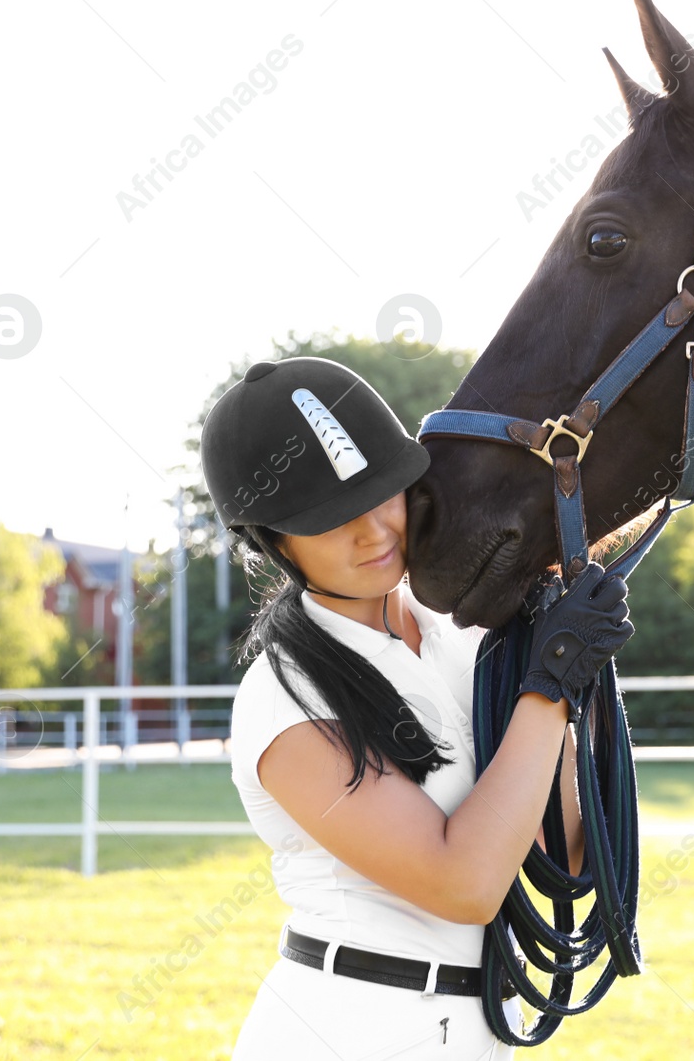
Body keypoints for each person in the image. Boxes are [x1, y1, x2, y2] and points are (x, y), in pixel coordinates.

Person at [199, 356, 634, 1059]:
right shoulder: (283, 697)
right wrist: (548, 684)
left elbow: (560, 848)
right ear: (272, 541)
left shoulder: (463, 641)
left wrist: (560, 663)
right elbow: (463, 882)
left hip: (480, 1030)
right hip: (349, 1032)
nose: (372, 531)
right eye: (331, 518)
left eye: (382, 495)